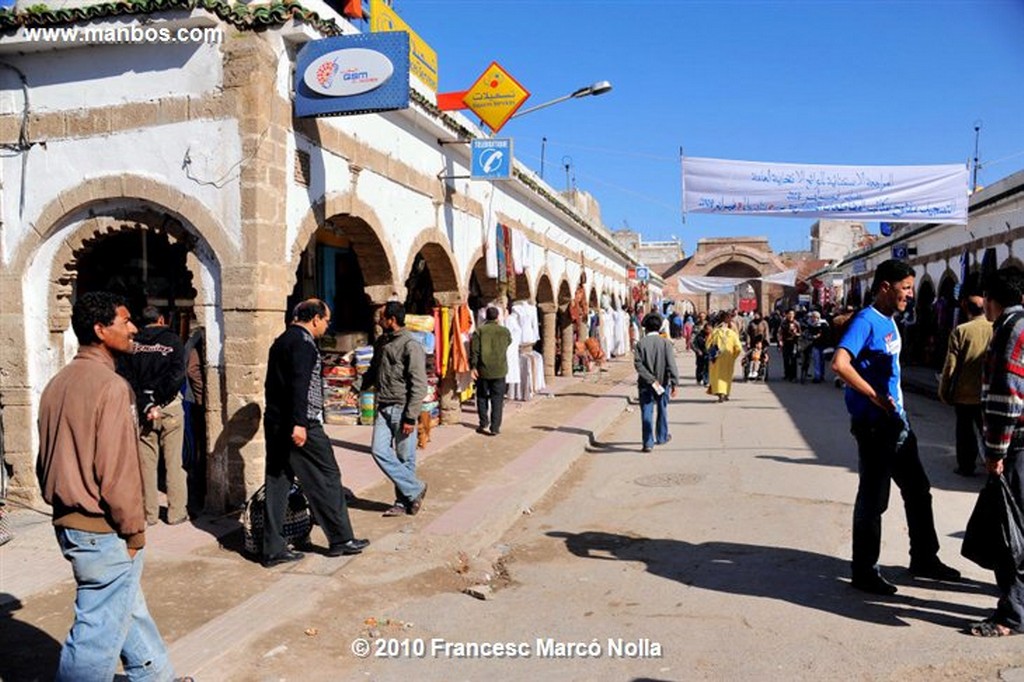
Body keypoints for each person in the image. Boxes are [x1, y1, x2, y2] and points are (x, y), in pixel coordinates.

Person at [36, 291, 177, 681]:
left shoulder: (56, 384)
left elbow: (43, 460)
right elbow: (119, 472)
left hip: (71, 523)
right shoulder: (112, 387)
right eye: (124, 321)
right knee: (97, 632)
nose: (133, 328)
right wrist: (134, 531)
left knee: (127, 609)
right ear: (100, 330)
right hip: (101, 529)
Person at [832, 259, 961, 595]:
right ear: (885, 287)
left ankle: (924, 558)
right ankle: (864, 570)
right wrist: (875, 397)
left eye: (911, 288)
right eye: (905, 288)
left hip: (897, 423)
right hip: (875, 426)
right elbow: (840, 363)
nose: (909, 295)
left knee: (918, 491)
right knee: (874, 500)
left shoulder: (891, 321)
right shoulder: (866, 320)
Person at [263, 299, 368, 567]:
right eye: (326, 320)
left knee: (278, 483)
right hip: (301, 423)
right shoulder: (304, 344)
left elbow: (273, 385)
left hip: (276, 421)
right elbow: (298, 385)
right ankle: (341, 539)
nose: (327, 325)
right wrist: (298, 424)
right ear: (315, 319)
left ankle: (272, 548)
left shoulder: (282, 340)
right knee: (327, 476)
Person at [971, 267, 1024, 636]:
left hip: (1017, 442)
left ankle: (1013, 614)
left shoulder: (1010, 330)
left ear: (992, 299)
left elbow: (1008, 394)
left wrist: (995, 450)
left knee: (1012, 528)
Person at [118, 306, 188, 526]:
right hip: (170, 408)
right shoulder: (173, 341)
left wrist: (146, 403)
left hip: (143, 409)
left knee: (147, 465)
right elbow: (177, 374)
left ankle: (150, 514)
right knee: (174, 463)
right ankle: (176, 513)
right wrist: (159, 400)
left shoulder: (132, 344)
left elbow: (127, 377)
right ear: (161, 319)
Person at [362, 301, 429, 517]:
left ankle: (403, 502)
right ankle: (415, 488)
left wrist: (411, 417)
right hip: (383, 406)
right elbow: (373, 370)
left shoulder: (411, 345)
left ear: (391, 320)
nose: (379, 321)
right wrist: (357, 387)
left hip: (402, 409)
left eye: (382, 317)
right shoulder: (382, 342)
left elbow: (419, 385)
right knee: (379, 450)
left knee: (405, 457)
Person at [938, 285, 992, 476]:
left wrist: (944, 390)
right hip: (989, 392)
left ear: (964, 306)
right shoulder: (996, 327)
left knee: (965, 432)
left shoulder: (960, 331)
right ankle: (994, 464)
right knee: (988, 430)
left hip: (965, 393)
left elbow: (950, 366)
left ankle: (966, 466)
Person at [633, 313, 679, 453]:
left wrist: (650, 379)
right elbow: (671, 364)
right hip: (662, 383)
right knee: (662, 410)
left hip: (645, 384)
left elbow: (638, 365)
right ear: (659, 328)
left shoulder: (640, 344)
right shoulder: (665, 343)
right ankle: (662, 436)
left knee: (646, 412)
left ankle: (648, 443)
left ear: (646, 328)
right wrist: (674, 382)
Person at [470, 305, 512, 436]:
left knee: (482, 397)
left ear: (486, 316)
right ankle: (495, 427)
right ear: (498, 317)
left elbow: (474, 351)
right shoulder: (504, 331)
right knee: (497, 399)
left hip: (484, 370)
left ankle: (484, 423)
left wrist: (473, 367)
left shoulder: (480, 331)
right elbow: (509, 342)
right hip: (500, 369)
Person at [707, 312, 743, 402]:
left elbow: (708, 344)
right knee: (727, 376)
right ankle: (726, 393)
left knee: (717, 375)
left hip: (717, 357)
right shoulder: (732, 333)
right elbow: (739, 348)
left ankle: (720, 393)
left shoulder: (715, 332)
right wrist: (734, 356)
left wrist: (711, 353)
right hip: (728, 358)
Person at [778, 309, 801, 382]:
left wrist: (796, 334)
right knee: (786, 359)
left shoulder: (796, 323)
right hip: (785, 343)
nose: (791, 315)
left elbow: (800, 334)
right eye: (789, 314)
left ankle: (794, 376)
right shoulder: (783, 323)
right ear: (786, 314)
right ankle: (787, 374)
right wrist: (780, 341)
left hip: (794, 343)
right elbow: (780, 333)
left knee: (793, 359)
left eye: (792, 314)